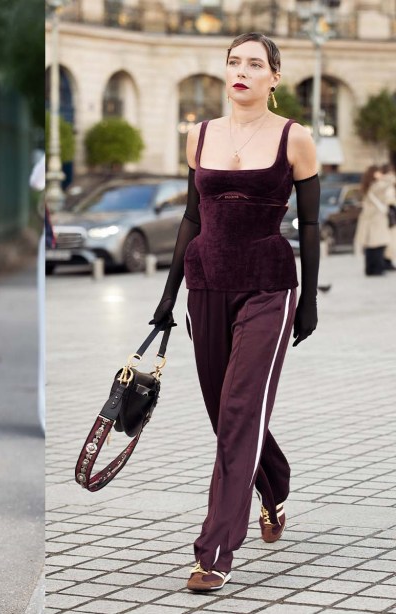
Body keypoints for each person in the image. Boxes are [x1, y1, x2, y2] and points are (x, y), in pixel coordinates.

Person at [150, 32, 319, 592]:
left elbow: (312, 226)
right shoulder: (199, 136)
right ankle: (274, 484)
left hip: (270, 285)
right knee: (224, 412)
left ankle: (215, 549)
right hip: (206, 283)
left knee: (242, 409)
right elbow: (191, 221)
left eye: (254, 64)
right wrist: (168, 295)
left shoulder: (295, 139)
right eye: (233, 62)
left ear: (274, 78)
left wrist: (310, 299)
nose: (241, 71)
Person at [353, 164, 395, 276]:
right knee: (378, 247)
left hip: (370, 222)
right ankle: (376, 269)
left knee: (371, 247)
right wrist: (385, 176)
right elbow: (389, 182)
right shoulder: (376, 186)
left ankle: (370, 269)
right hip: (377, 221)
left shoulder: (368, 186)